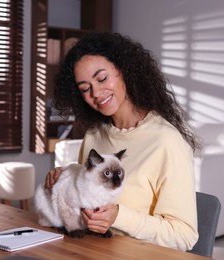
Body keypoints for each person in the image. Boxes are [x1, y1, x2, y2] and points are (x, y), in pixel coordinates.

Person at [44, 32, 201, 251]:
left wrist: (119, 216)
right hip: (92, 252)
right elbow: (85, 202)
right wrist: (64, 181)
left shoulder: (166, 142)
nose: (96, 93)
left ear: (124, 69)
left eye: (101, 78)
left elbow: (184, 236)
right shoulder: (94, 135)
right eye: (85, 89)